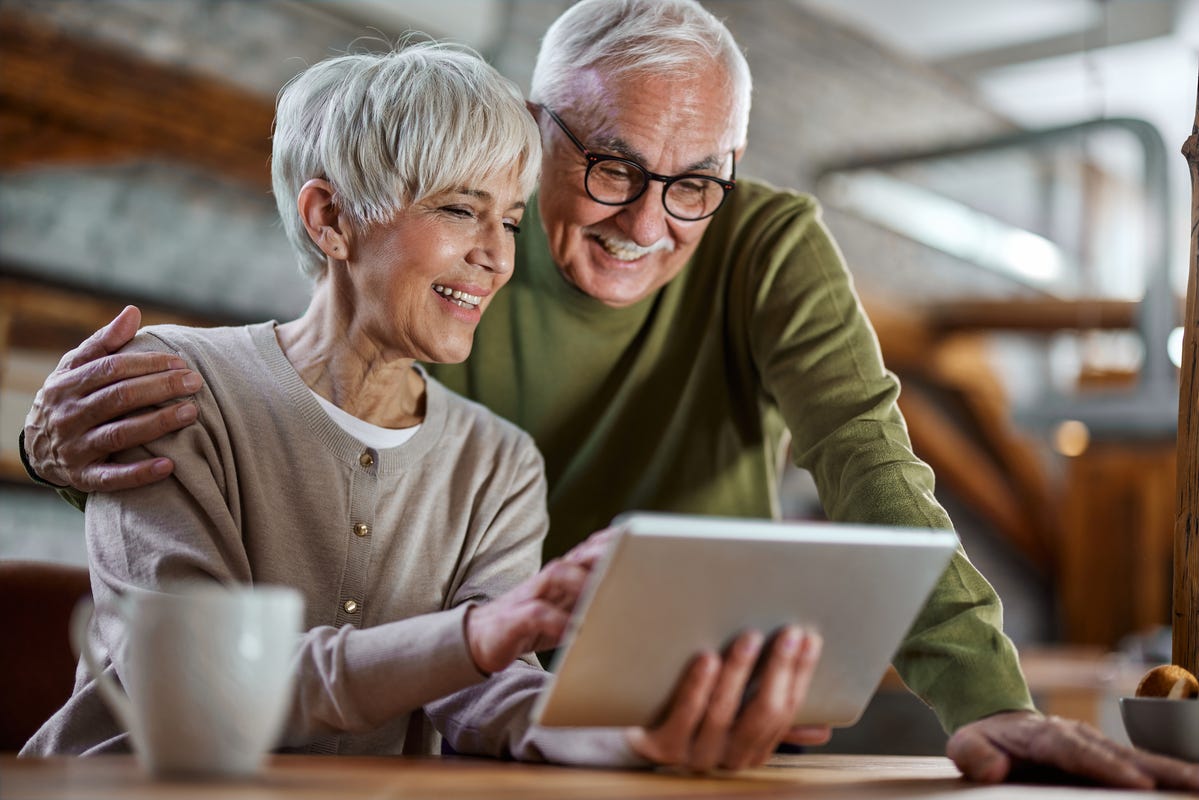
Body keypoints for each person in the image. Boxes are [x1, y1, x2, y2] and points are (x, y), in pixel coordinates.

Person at [19, 0, 1199, 788]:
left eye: (698, 184)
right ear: (537, 132)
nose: (648, 222)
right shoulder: (442, 267)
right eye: (612, 165)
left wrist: (980, 700)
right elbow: (289, 465)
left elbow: (870, 466)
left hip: (627, 691)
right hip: (440, 706)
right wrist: (48, 439)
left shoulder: (741, 258)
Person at [19, 42, 824, 769]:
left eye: (508, 219)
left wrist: (627, 731)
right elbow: (208, 686)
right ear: (330, 219)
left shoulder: (498, 459)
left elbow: (488, 695)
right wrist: (475, 636)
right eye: (458, 209)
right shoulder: (169, 384)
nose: (496, 256)